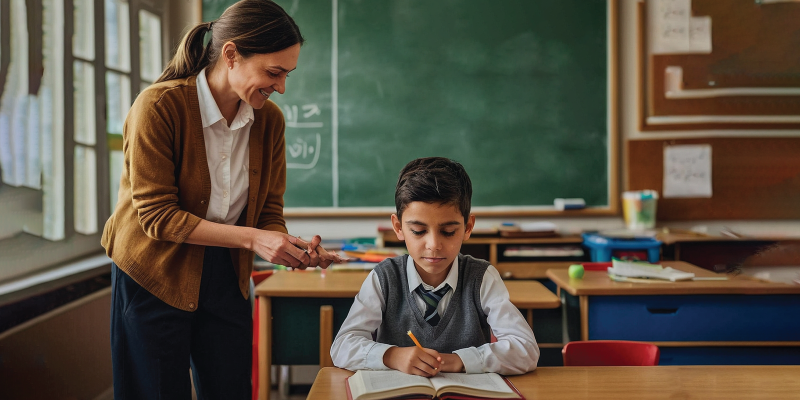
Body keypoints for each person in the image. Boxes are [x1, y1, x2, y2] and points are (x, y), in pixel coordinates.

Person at [101, 1, 344, 398]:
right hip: (153, 271)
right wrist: (254, 239)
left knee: (230, 389)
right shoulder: (159, 106)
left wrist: (286, 246)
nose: (281, 87)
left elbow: (267, 211)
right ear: (231, 54)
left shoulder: (270, 121)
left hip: (226, 274)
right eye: (273, 72)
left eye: (287, 74)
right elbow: (158, 218)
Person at [330, 157, 539, 376]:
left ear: (468, 228)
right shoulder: (384, 278)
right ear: (398, 227)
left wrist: (459, 360)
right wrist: (393, 356)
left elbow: (526, 350)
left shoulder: (482, 277)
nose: (434, 245)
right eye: (419, 231)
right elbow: (342, 346)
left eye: (448, 232)